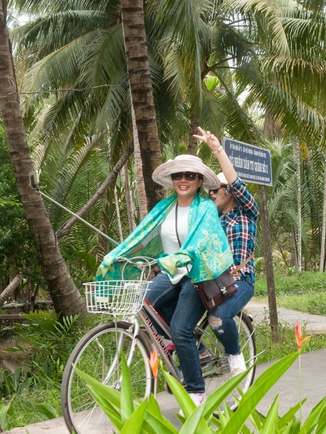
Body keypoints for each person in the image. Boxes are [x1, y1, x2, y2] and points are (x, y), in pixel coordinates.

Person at [96, 154, 232, 407]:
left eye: (190, 176)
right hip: (171, 273)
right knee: (143, 301)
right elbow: (141, 236)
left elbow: (201, 241)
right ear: (171, 180)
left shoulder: (206, 209)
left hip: (197, 276)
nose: (183, 180)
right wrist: (117, 256)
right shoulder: (164, 207)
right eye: (177, 175)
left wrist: (182, 257)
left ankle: (195, 391)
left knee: (181, 329)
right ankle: (188, 347)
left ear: (200, 180)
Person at [192, 127, 259, 377]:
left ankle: (234, 355)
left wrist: (217, 150)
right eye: (209, 190)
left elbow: (236, 184)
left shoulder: (248, 212)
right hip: (213, 284)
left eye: (216, 189)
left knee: (218, 318)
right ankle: (198, 356)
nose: (211, 194)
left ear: (229, 192)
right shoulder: (214, 221)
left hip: (240, 281)